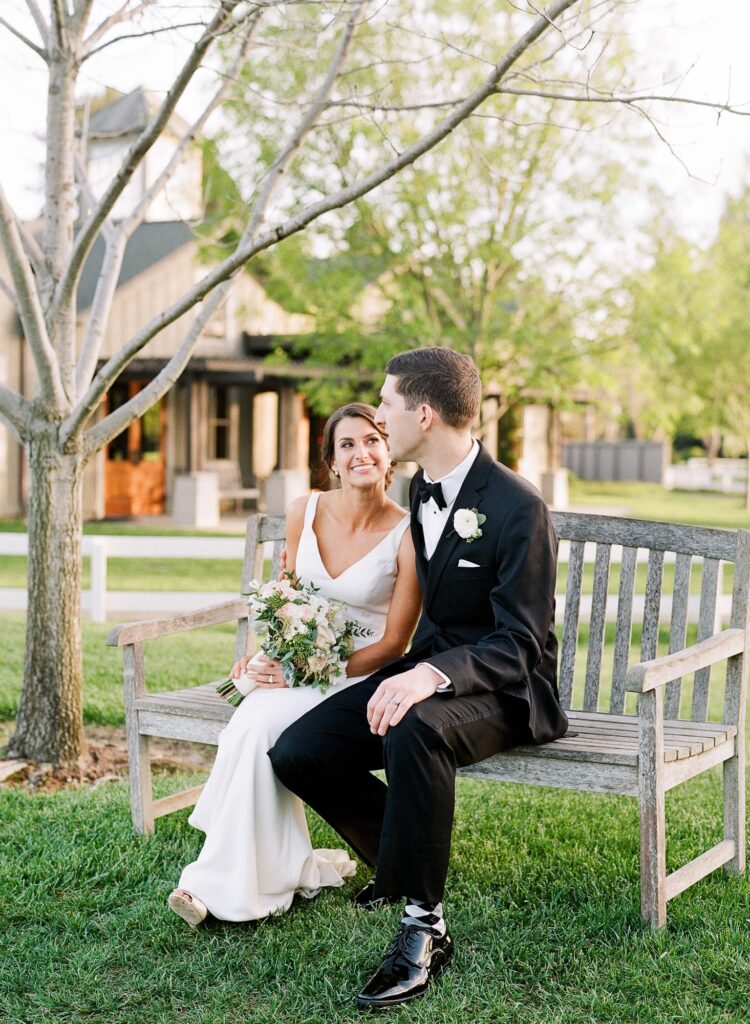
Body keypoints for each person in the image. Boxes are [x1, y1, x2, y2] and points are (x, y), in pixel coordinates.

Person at [269, 347, 568, 1010]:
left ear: (424, 414)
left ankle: (423, 925)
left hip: (506, 689)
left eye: (388, 404)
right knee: (298, 750)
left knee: (413, 725)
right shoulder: (422, 488)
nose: (378, 415)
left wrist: (431, 675)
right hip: (430, 672)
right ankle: (401, 864)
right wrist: (412, 669)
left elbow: (520, 642)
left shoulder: (518, 508)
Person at [168, 402, 421, 926]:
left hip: (359, 674)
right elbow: (288, 595)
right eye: (346, 445)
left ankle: (208, 885)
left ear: (389, 450)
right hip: (299, 665)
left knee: (254, 724)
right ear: (331, 459)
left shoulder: (407, 532)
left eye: (372, 440)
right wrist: (267, 655)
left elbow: (396, 643)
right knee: (252, 729)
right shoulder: (303, 510)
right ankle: (277, 870)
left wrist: (313, 668)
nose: (361, 453)